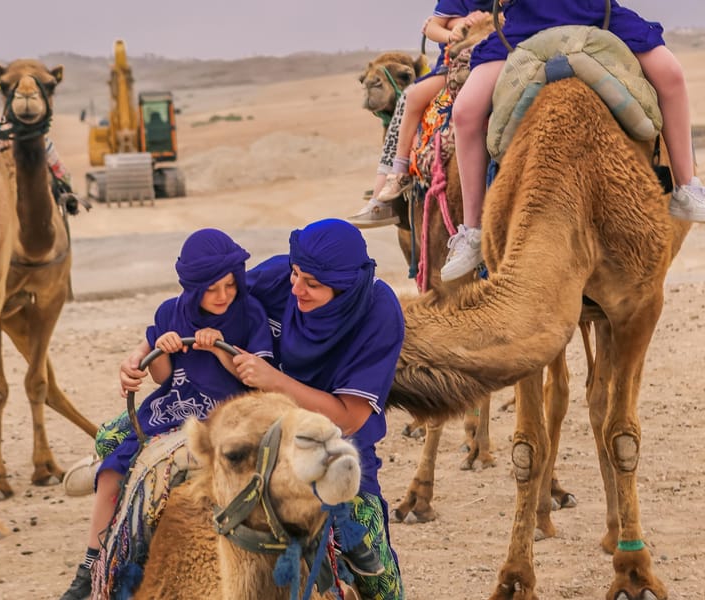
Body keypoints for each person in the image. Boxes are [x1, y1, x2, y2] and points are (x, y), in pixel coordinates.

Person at [60, 228, 273, 600]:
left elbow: (256, 379)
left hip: (228, 414)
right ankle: (92, 566)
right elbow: (160, 376)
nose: (222, 296)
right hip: (175, 408)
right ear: (192, 289)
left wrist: (220, 351)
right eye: (211, 289)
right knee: (114, 472)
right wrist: (164, 348)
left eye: (229, 285)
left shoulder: (250, 313)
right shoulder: (170, 313)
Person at [440, 0, 705, 282]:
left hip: (597, 16)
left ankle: (686, 188)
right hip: (524, 27)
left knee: (670, 74)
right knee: (465, 112)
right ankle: (473, 230)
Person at [238, 219, 406, 599]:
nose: (295, 287)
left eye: (312, 284)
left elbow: (349, 417)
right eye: (296, 274)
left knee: (378, 579)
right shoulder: (283, 277)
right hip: (261, 438)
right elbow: (210, 304)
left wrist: (275, 381)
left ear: (344, 289)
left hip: (337, 454)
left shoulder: (378, 313)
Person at [349, 0, 493, 228]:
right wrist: (455, 31)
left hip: (498, 57)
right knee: (412, 97)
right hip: (455, 65)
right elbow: (432, 28)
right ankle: (397, 172)